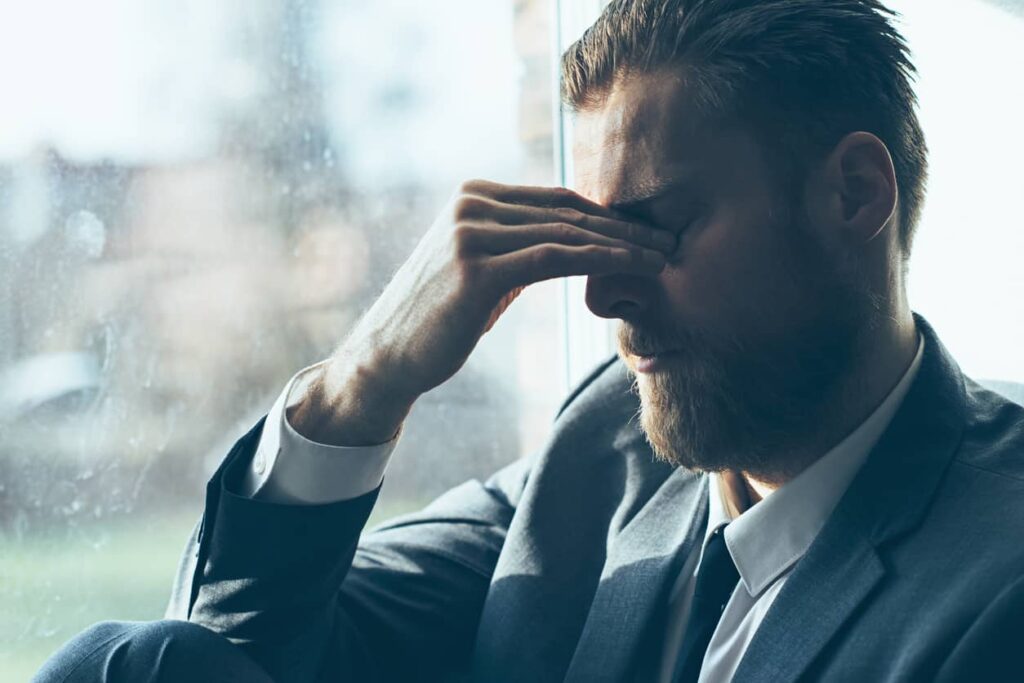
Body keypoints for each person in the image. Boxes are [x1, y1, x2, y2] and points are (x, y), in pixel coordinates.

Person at [34, 0, 1024, 681]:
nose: (600, 294)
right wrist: (363, 381)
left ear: (852, 194)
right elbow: (227, 648)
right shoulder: (603, 449)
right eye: (590, 234)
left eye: (654, 228)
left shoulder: (998, 571)